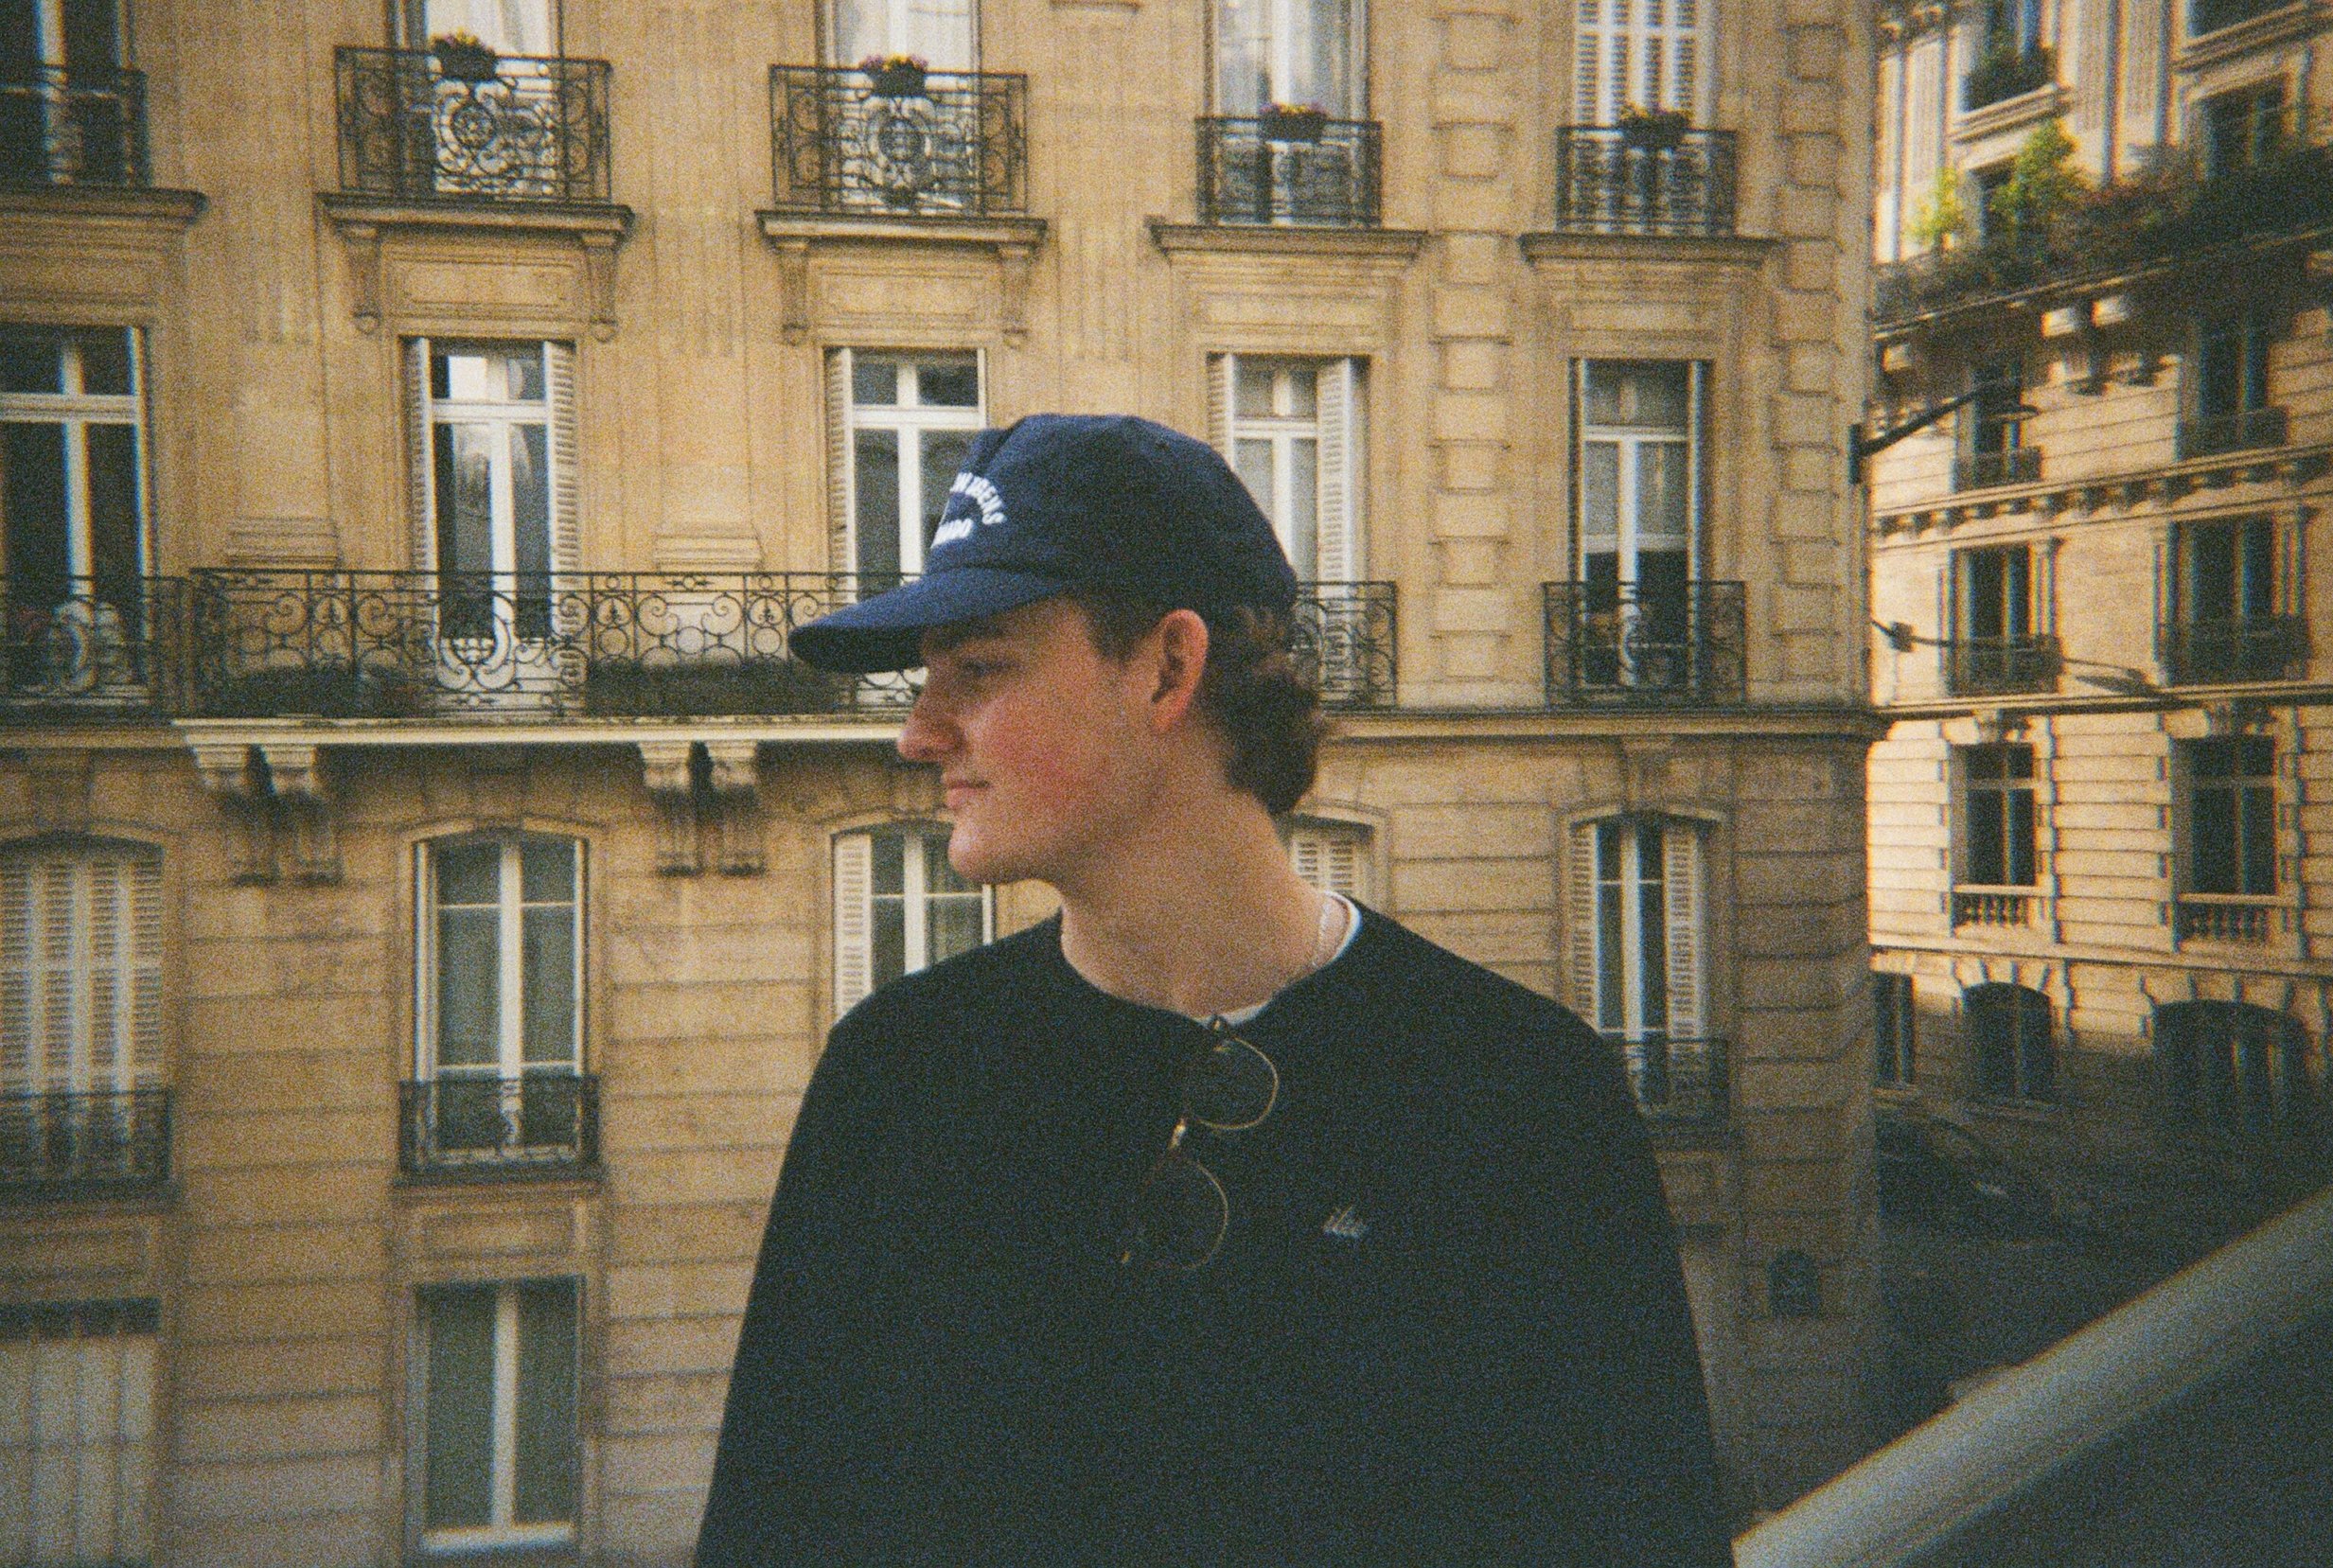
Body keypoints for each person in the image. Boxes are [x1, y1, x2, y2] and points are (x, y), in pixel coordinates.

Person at [695, 414, 1734, 1567]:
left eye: (979, 670)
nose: (917, 732)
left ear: (1168, 670)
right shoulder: (894, 1077)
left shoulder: (1517, 1096)